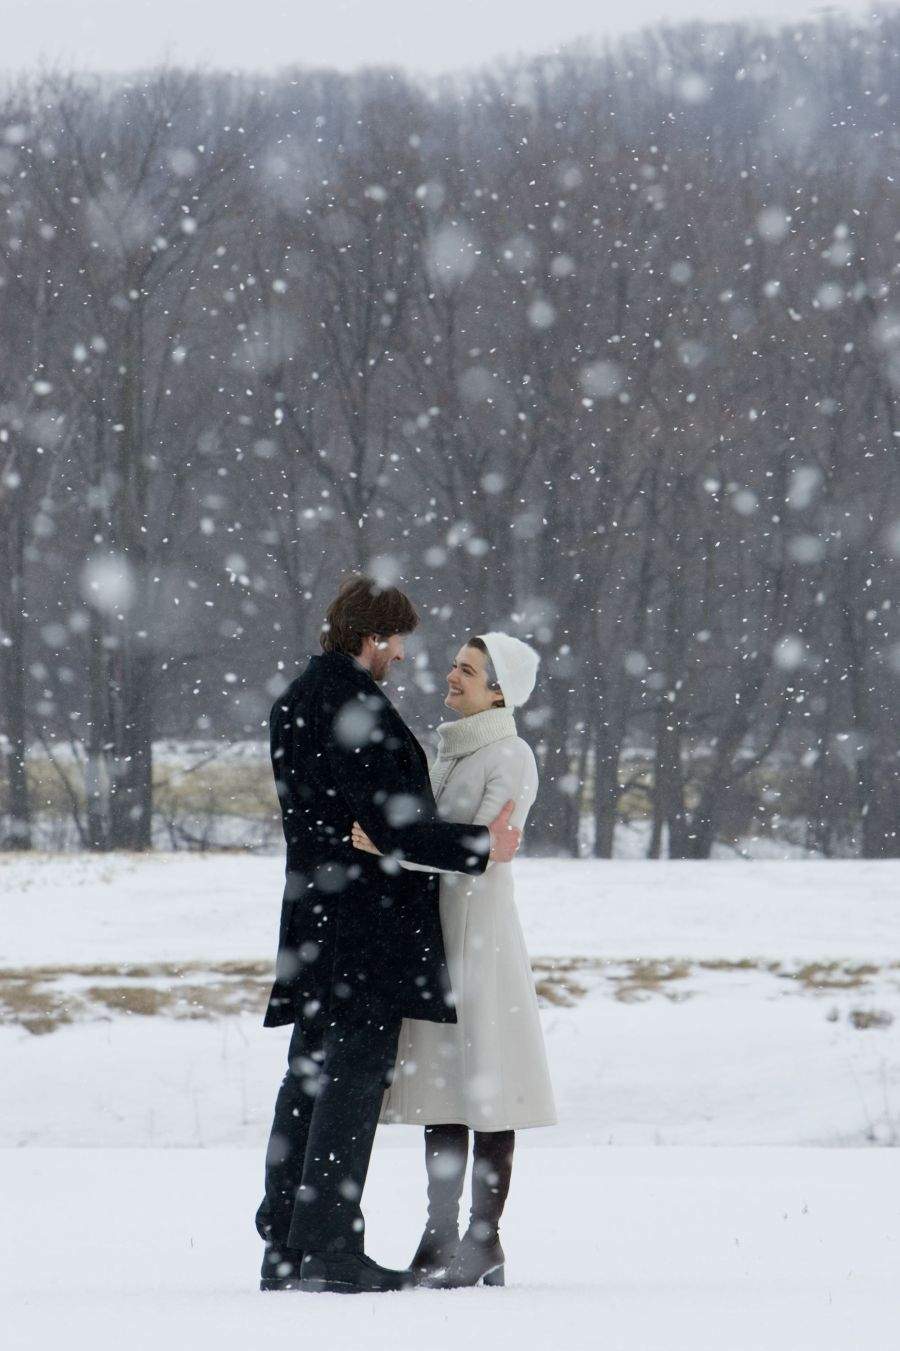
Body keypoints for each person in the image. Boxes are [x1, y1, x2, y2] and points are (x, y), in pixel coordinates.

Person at [256, 576, 523, 1295]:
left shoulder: (294, 702)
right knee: (349, 1083)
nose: (402, 655)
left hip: (312, 916)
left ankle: (284, 1239)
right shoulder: (356, 708)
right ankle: (332, 1248)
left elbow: (344, 819)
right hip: (363, 930)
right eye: (397, 640)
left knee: (306, 1077)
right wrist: (480, 848)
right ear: (373, 638)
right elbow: (394, 825)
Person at [352, 631, 556, 1289]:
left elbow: (488, 847)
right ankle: (439, 1235)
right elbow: (450, 837)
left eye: (468, 670)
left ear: (499, 689)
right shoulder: (448, 750)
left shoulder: (510, 755)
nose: (452, 675)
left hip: (481, 937)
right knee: (445, 1088)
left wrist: (390, 844)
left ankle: (483, 1235)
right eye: (456, 665)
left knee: (489, 1083)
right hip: (436, 934)